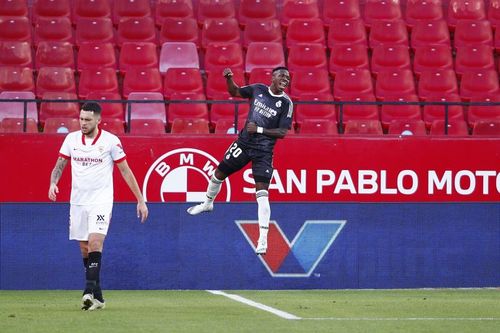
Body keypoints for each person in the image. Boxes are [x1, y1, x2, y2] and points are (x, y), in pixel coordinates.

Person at [48, 102, 148, 311]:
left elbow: (125, 171)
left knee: (95, 243)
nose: (83, 123)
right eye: (81, 119)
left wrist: (140, 199)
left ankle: (87, 291)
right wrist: (53, 183)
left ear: (98, 120)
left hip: (101, 201)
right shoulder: (71, 139)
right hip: (77, 201)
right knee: (85, 249)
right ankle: (99, 297)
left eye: (87, 120)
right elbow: (60, 164)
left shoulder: (111, 142)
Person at [187, 66, 293, 255]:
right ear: (273, 77)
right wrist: (229, 78)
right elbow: (235, 91)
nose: (286, 79)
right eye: (282, 76)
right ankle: (208, 203)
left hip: (264, 151)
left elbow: (283, 132)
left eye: (288, 77)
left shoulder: (286, 103)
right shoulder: (258, 89)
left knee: (262, 193)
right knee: (218, 173)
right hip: (244, 144)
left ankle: (262, 238)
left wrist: (259, 130)